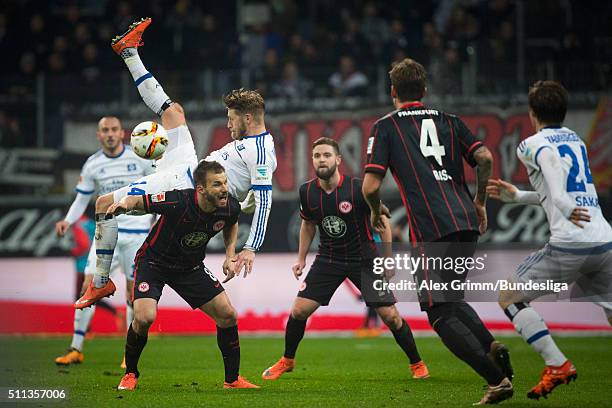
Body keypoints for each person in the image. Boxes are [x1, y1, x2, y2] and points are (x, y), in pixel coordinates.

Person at [75, 17, 276, 309]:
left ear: (247, 118)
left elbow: (265, 200)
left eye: (231, 119)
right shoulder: (254, 145)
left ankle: (100, 282)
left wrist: (250, 249)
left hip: (185, 185)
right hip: (188, 165)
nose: (228, 124)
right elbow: (250, 197)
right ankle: (129, 52)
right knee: (173, 112)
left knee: (104, 204)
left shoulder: (260, 151)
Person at [362, 58, 513, 405]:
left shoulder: (386, 127)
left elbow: (371, 186)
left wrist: (374, 211)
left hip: (433, 229)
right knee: (452, 300)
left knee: (439, 312)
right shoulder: (450, 121)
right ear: (425, 91)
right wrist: (479, 201)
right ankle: (492, 346)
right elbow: (486, 157)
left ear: (393, 92)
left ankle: (497, 380)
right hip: (465, 222)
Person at [261, 138, 429, 381]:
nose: (321, 160)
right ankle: (287, 361)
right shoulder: (306, 191)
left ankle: (417, 364)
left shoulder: (360, 188)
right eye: (317, 155)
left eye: (327, 155)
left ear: (338, 160)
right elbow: (308, 225)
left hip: (364, 259)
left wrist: (388, 259)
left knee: (391, 316)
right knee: (298, 311)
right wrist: (301, 259)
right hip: (328, 258)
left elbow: (383, 225)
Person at [487, 80, 612, 400]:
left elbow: (550, 166)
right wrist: (520, 197)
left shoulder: (532, 144)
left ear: (531, 113)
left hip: (571, 245)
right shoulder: (577, 141)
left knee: (510, 297)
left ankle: (556, 363)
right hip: (604, 241)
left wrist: (562, 201)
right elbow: (560, 188)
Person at [108, 160, 259, 390]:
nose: (224, 189)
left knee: (227, 315)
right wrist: (124, 204)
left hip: (189, 268)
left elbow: (231, 222)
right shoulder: (178, 201)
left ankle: (232, 380)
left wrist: (230, 255)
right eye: (217, 184)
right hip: (153, 263)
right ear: (201, 189)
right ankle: (130, 373)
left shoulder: (229, 206)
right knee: (144, 318)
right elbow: (140, 200)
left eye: (225, 182)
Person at [55, 116, 155, 366]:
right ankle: (76, 348)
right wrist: (68, 220)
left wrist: (154, 220)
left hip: (136, 234)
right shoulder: (92, 165)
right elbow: (82, 198)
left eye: (114, 129)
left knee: (134, 293)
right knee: (88, 288)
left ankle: (128, 353)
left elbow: (156, 187)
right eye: (105, 131)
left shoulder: (139, 157)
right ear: (98, 136)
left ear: (122, 133)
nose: (110, 134)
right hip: (105, 234)